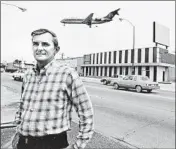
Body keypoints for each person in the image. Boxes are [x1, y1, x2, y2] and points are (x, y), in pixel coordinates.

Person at [14, 28, 94, 149]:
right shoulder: (28, 75)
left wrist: (77, 146)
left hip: (52, 143)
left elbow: (86, 113)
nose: (39, 48)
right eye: (35, 44)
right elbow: (22, 107)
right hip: (23, 142)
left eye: (45, 44)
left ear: (56, 49)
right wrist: (17, 132)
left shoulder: (67, 74)